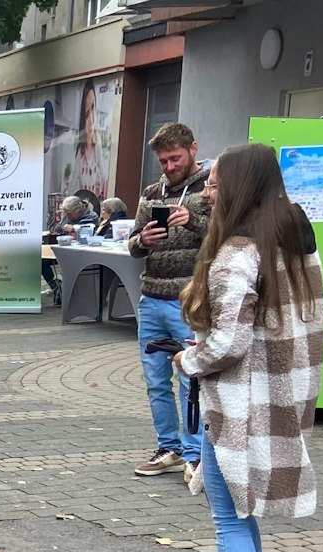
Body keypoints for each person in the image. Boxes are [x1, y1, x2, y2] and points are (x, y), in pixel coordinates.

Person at [172, 144, 323, 552]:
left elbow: (228, 344)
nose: (207, 191)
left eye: (214, 182)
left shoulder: (238, 253)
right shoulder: (294, 242)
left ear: (238, 186)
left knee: (229, 518)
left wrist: (189, 361)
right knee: (244, 507)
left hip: (238, 400)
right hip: (280, 393)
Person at [128, 122, 212, 482]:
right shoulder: (152, 192)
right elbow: (132, 246)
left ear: (193, 149)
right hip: (152, 297)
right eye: (163, 160)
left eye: (174, 158)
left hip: (188, 302)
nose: (169, 166)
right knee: (155, 380)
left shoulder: (210, 190)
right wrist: (143, 239)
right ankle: (169, 447)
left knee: (189, 379)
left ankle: (194, 453)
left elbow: (222, 235)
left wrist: (192, 221)